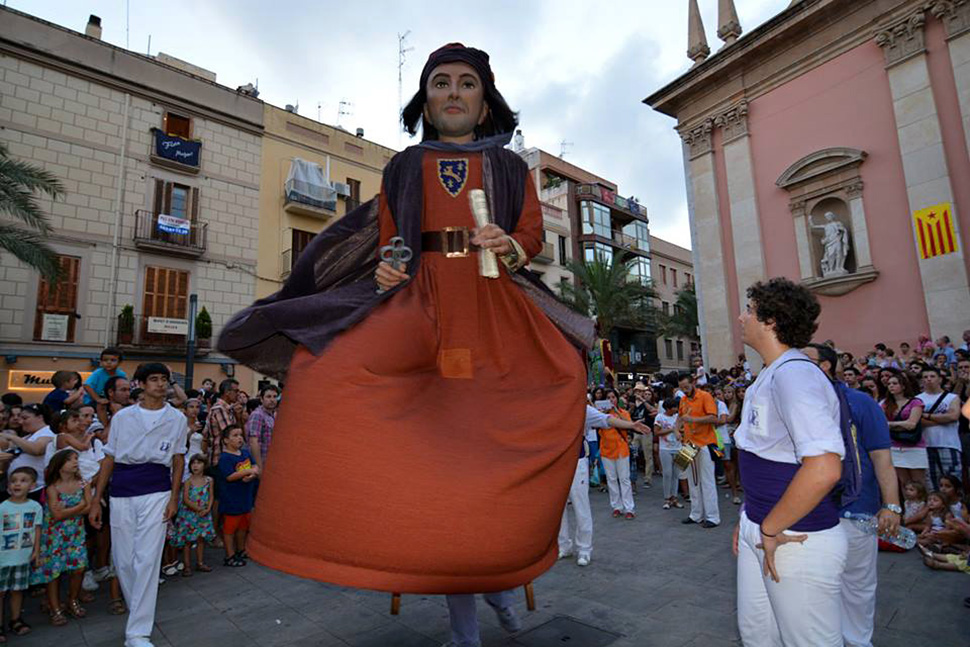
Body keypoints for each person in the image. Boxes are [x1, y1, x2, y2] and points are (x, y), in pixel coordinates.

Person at [218, 42, 590, 614]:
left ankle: (503, 541)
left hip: (492, 298)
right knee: (325, 369)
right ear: (426, 100)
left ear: (485, 102)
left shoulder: (511, 166)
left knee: (558, 378)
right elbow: (393, 237)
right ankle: (369, 533)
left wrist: (511, 245)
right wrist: (389, 265)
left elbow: (533, 234)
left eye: (467, 83)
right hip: (420, 298)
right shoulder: (401, 166)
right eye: (441, 83)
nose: (454, 93)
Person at [732, 278, 847, 647]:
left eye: (749, 311)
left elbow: (825, 467)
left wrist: (768, 528)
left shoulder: (795, 375)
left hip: (798, 538)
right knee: (758, 636)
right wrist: (749, 519)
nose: (741, 318)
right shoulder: (773, 373)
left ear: (771, 321)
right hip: (764, 525)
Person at [803, 343, 901, 647]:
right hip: (810, 512)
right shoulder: (799, 406)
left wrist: (892, 506)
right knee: (816, 587)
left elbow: (881, 458)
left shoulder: (860, 402)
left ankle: (858, 642)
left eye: (804, 360)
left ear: (826, 367)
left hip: (856, 510)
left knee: (857, 586)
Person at [89, 362, 187, 647]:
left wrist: (173, 498)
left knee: (147, 559)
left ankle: (137, 633)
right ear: (141, 385)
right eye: (153, 379)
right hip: (121, 489)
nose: (160, 384)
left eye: (164, 380)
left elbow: (179, 460)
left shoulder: (177, 419)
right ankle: (138, 616)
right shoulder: (123, 418)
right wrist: (96, 500)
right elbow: (109, 457)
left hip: (157, 489)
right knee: (124, 560)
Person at [558, 404, 650, 567]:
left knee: (581, 505)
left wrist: (631, 425)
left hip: (577, 461)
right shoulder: (551, 404)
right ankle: (564, 545)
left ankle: (585, 549)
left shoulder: (581, 408)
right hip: (556, 463)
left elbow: (606, 419)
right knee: (558, 508)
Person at [31, 449, 91, 626]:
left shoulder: (83, 483)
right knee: (53, 572)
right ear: (59, 465)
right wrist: (79, 506)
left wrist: (69, 510)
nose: (75, 462)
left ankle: (73, 599)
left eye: (76, 459)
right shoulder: (52, 487)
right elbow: (57, 515)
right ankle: (55, 607)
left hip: (76, 533)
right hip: (54, 536)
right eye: (70, 460)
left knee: (79, 568)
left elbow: (89, 508)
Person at [0, 467, 42, 638]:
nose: (17, 484)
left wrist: (36, 551)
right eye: (14, 481)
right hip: (2, 558)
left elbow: (37, 530)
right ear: (8, 486)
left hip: (21, 557)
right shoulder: (3, 507)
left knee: (18, 590)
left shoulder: (35, 507)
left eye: (23, 480)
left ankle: (16, 620)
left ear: (32, 486)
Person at [676, 372, 720, 528]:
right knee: (692, 480)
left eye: (686, 387)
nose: (685, 390)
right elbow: (680, 418)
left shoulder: (705, 396)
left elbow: (714, 418)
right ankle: (695, 514)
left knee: (707, 481)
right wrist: (676, 430)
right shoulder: (682, 400)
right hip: (688, 445)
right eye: (682, 388)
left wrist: (693, 419)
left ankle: (712, 517)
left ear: (693, 382)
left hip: (706, 443)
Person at [217, 426, 258, 568]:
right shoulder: (224, 458)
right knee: (229, 529)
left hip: (245, 498)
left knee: (243, 527)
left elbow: (255, 466)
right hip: (231, 500)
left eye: (240, 435)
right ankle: (230, 555)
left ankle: (241, 550)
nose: (239, 438)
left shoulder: (245, 453)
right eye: (235, 435)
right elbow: (229, 476)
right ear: (226, 440)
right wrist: (248, 471)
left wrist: (253, 473)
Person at [917, 366, 962, 491]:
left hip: (948, 444)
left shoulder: (951, 397)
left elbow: (953, 416)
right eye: (925, 377)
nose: (928, 379)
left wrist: (927, 415)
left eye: (932, 376)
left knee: (953, 482)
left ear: (940, 379)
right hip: (926, 445)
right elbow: (918, 421)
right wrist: (942, 419)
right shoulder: (917, 399)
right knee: (932, 484)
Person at [171, 454, 215, 576]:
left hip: (203, 514)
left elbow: (211, 496)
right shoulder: (188, 481)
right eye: (193, 463)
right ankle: (187, 565)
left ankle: (200, 563)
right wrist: (198, 508)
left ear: (204, 465)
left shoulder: (209, 480)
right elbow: (185, 499)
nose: (195, 466)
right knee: (187, 541)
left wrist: (208, 509)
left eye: (199, 463)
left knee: (201, 539)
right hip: (189, 515)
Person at [2, 404, 55, 501]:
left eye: (25, 418)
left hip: (35, 489)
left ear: (40, 417)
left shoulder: (47, 432)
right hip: (17, 489)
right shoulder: (27, 437)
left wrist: (12, 437)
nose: (21, 422)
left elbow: (37, 449)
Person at [883, 374, 926, 488]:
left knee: (919, 483)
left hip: (914, 446)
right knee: (904, 483)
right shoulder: (885, 404)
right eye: (889, 384)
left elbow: (911, 424)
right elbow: (881, 424)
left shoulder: (915, 402)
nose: (891, 386)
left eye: (895, 383)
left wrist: (890, 424)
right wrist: (901, 424)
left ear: (903, 386)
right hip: (895, 445)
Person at [600, 389, 636, 519]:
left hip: (621, 449)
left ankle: (629, 508)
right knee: (611, 479)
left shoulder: (624, 413)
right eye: (608, 397)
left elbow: (628, 426)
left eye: (613, 397)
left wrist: (616, 412)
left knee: (624, 479)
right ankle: (616, 506)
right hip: (606, 450)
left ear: (617, 399)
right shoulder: (601, 414)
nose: (611, 400)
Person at [655, 398, 685, 510]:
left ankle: (675, 498)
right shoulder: (660, 417)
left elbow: (683, 429)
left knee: (676, 474)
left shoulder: (678, 417)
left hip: (678, 447)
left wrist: (679, 431)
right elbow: (657, 432)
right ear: (668, 408)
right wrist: (671, 430)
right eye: (674, 407)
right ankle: (667, 498)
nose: (676, 409)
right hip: (665, 448)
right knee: (667, 474)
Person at [246, 385, 278, 471]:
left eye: (275, 397)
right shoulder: (257, 415)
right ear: (261, 399)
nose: (272, 400)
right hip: (261, 463)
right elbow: (253, 442)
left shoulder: (272, 415)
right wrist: (259, 467)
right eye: (268, 396)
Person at [720, 384, 742, 505]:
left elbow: (729, 418)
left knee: (734, 462)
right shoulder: (723, 405)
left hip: (733, 435)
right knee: (727, 462)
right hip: (723, 436)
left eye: (730, 392)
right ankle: (732, 483)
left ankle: (736, 484)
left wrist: (721, 418)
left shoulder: (734, 405)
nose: (727, 395)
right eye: (725, 392)